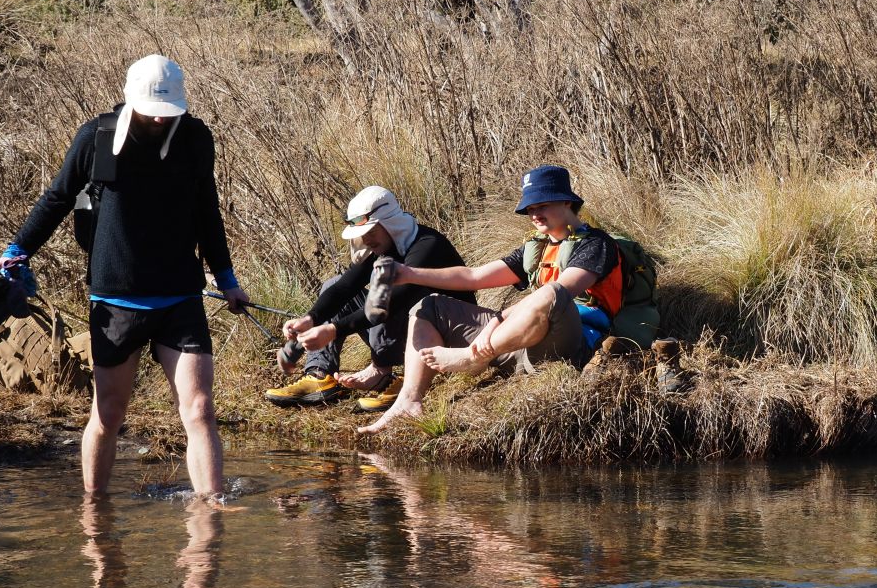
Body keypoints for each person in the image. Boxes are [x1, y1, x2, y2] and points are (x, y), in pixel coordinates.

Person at [0, 54, 248, 501]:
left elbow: (206, 211)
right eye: (151, 107)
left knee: (200, 409)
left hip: (180, 297)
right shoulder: (97, 137)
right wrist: (16, 252)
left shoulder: (195, 138)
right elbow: (57, 198)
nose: (158, 116)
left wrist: (226, 277)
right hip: (117, 299)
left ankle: (211, 517)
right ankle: (95, 511)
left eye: (166, 109)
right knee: (109, 413)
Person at [358, 165, 619, 435]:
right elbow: (473, 277)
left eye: (542, 205)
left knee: (550, 293)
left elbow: (560, 291)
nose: (534, 214)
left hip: (569, 346)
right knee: (429, 306)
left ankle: (470, 358)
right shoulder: (538, 246)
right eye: (529, 208)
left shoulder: (596, 244)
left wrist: (495, 322)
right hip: (521, 341)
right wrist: (409, 273)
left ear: (567, 201)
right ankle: (408, 402)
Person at [265, 186, 474, 412]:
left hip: (451, 335)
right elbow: (344, 287)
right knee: (333, 284)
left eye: (371, 232)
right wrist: (310, 318)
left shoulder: (428, 246)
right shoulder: (385, 246)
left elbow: (390, 303)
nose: (366, 240)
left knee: (391, 295)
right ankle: (319, 375)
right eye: (363, 234)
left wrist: (332, 330)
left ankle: (401, 378)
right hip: (410, 324)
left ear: (390, 224)